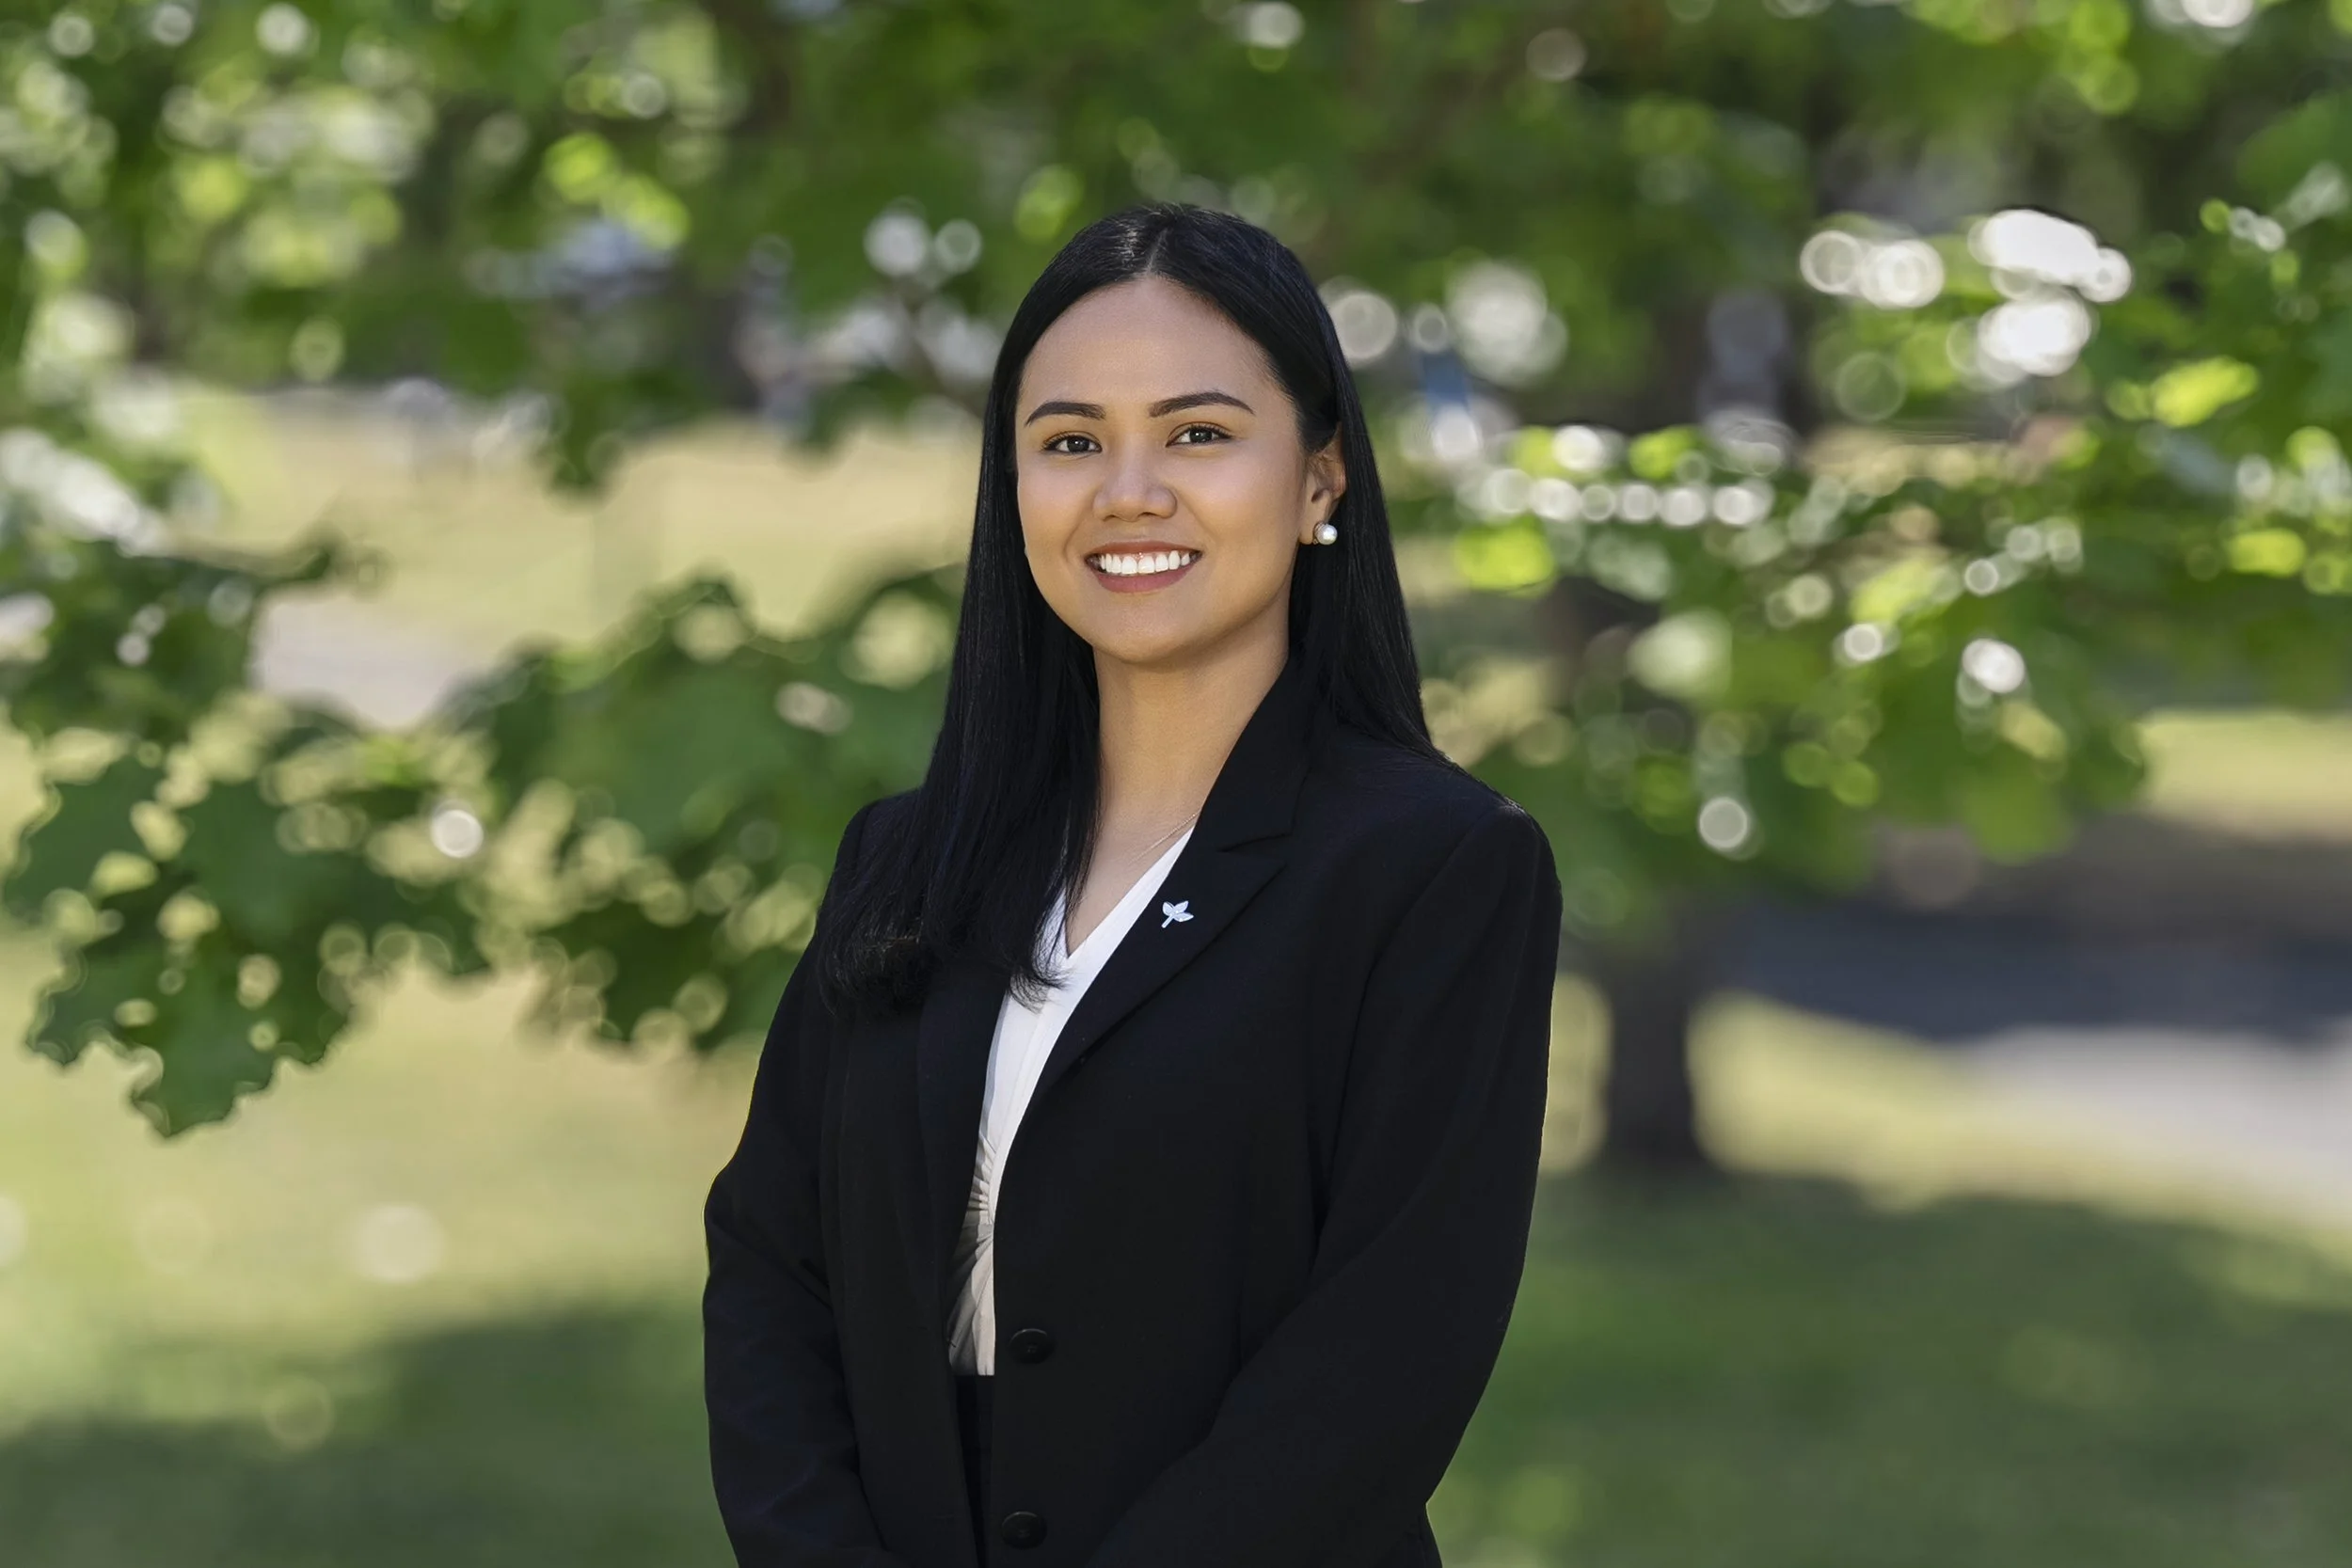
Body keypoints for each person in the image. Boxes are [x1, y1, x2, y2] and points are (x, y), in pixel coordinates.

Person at [703, 200, 1564, 1568]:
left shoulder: (1436, 866)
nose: (1129, 491)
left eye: (1200, 433)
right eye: (1070, 443)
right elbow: (770, 1259)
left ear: (1323, 478)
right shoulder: (906, 856)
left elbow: (1388, 1348)